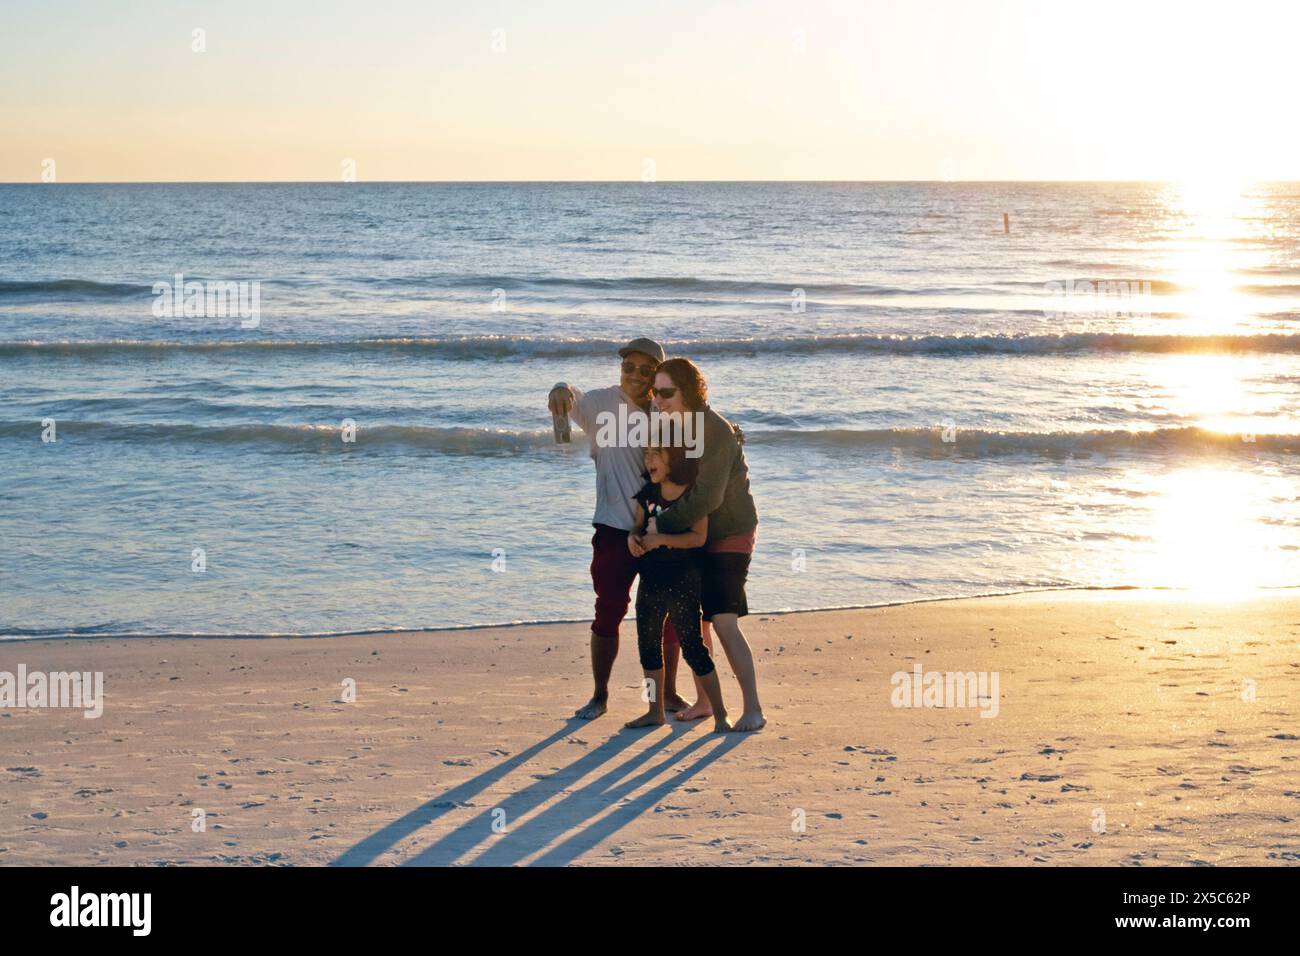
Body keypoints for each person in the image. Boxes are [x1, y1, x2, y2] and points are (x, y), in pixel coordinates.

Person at [547, 338, 695, 720]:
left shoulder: (668, 414)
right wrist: (559, 389)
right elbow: (571, 397)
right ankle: (599, 695)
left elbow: (691, 464)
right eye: (629, 367)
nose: (635, 375)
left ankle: (667, 694)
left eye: (645, 370)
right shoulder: (602, 404)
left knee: (665, 619)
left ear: (656, 376)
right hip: (613, 529)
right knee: (608, 611)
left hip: (660, 531)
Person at [647, 357, 766, 732]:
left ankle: (753, 710)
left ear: (691, 391)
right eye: (656, 392)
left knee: (724, 620)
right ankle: (704, 701)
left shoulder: (714, 431)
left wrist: (659, 526)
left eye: (667, 392)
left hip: (730, 532)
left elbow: (707, 499)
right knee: (696, 624)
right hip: (699, 535)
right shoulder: (678, 426)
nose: (660, 399)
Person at [624, 442, 730, 733]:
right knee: (647, 647)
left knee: (693, 648)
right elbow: (637, 527)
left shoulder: (692, 497)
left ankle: (720, 713)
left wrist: (662, 540)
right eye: (646, 455)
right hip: (650, 580)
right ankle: (653, 711)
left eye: (656, 454)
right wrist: (632, 539)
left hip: (683, 580)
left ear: (676, 459)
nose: (649, 460)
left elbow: (698, 537)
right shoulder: (646, 495)